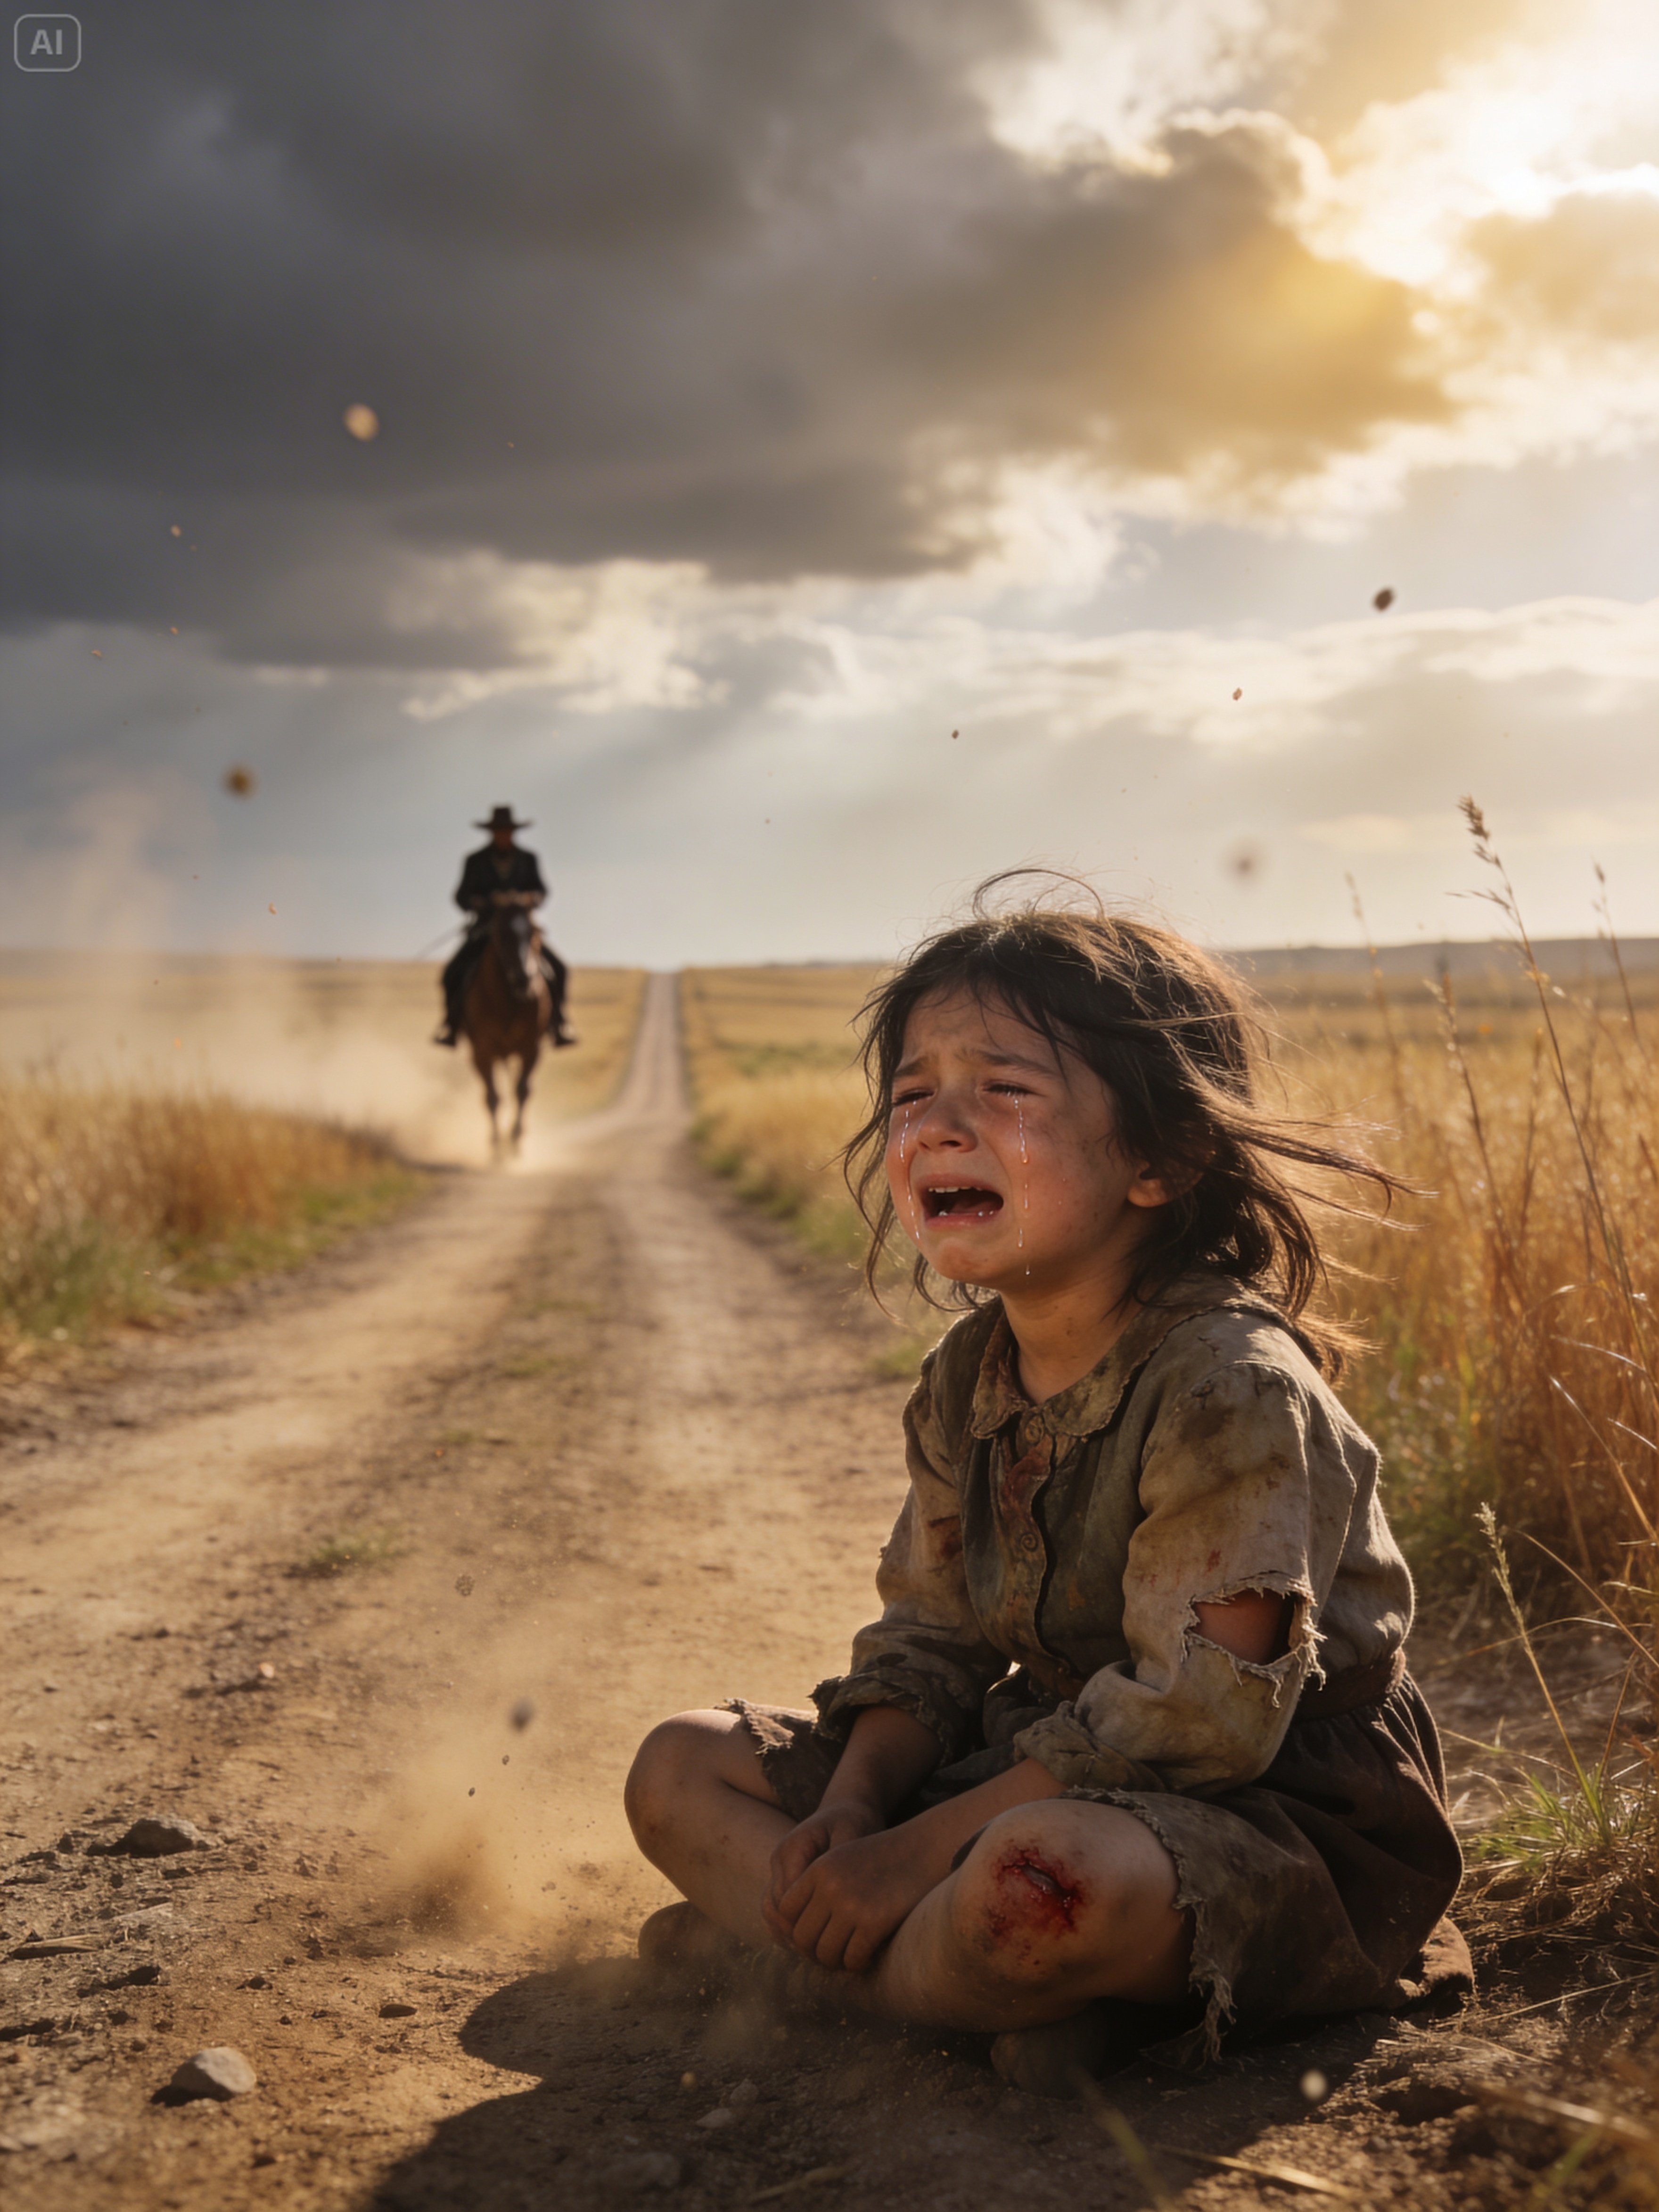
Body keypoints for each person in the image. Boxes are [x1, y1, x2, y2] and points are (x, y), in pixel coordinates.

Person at [624, 880, 1468, 2096]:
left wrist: (909, 1855)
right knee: (678, 1766)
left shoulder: (1228, 1387)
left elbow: (1199, 1722)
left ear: (1159, 1157)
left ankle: (809, 1971)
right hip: (1035, 1756)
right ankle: (974, 1986)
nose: (936, 1126)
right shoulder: (962, 1376)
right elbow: (929, 1638)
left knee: (1042, 1886)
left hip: (1258, 1804)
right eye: (910, 1094)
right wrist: (853, 1811)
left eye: (1003, 1090)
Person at [435, 806, 573, 1049]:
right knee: (452, 973)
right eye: (499, 831)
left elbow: (541, 892)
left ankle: (559, 1024)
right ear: (492, 833)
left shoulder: (528, 859)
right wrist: (485, 901)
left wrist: (528, 899)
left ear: (513, 832)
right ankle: (451, 1026)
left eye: (507, 831)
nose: (503, 835)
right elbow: (462, 897)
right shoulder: (475, 861)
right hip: (485, 930)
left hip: (522, 931)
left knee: (559, 969)